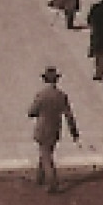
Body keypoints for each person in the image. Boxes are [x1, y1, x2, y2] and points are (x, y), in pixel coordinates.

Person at [27, 66, 79, 194]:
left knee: (45, 155)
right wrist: (74, 132)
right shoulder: (61, 96)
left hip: (42, 128)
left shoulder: (41, 95)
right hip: (55, 128)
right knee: (46, 152)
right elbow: (69, 115)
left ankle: (52, 181)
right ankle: (39, 177)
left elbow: (31, 112)